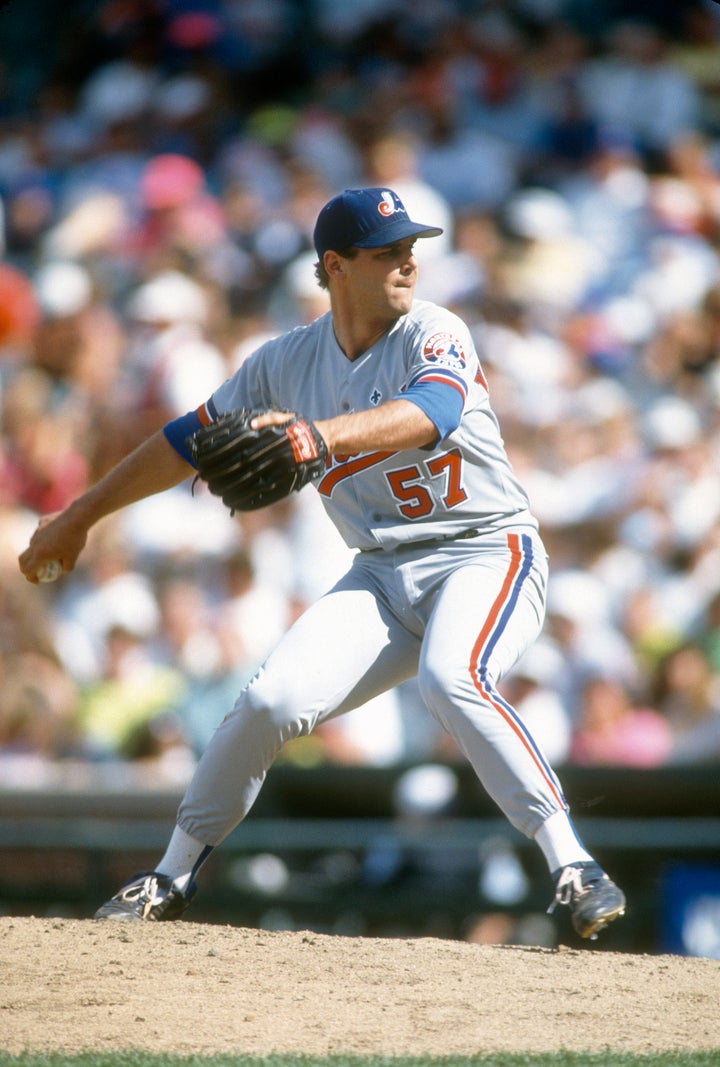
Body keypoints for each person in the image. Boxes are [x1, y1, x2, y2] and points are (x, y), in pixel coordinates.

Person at [19, 187, 625, 939]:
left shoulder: (435, 331)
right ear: (335, 266)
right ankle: (169, 874)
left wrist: (318, 437)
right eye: (387, 250)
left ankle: (573, 865)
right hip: (380, 571)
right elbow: (185, 441)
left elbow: (430, 412)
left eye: (411, 246)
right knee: (271, 700)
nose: (408, 260)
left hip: (485, 549)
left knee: (451, 676)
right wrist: (79, 515)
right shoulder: (285, 362)